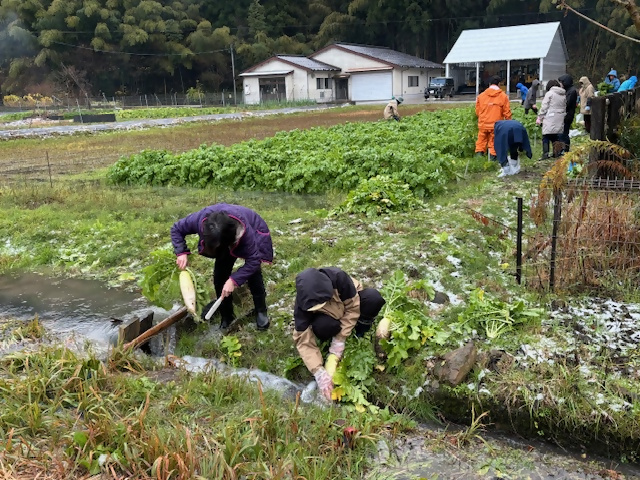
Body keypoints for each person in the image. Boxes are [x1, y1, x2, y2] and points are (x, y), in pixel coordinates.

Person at [170, 204, 273, 331]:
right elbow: (176, 229)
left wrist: (233, 280)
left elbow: (254, 261)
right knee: (220, 278)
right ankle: (227, 316)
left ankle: (261, 311)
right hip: (223, 239)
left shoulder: (244, 231)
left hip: (252, 228)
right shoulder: (199, 220)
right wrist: (181, 252)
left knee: (253, 274)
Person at [293, 267, 385, 400]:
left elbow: (353, 308)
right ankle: (332, 334)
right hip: (330, 318)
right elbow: (303, 340)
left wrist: (339, 340)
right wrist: (318, 371)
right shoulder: (302, 303)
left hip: (347, 306)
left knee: (373, 298)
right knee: (324, 326)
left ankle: (360, 327)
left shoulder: (339, 278)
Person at [475, 76, 512, 159]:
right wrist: (509, 122)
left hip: (483, 124)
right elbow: (507, 112)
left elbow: (477, 111)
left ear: (489, 84)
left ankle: (479, 157)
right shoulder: (503, 96)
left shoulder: (481, 96)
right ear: (499, 84)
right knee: (494, 142)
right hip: (496, 125)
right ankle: (492, 158)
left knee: (481, 140)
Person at [537, 79, 566, 160]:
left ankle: (545, 154)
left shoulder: (550, 93)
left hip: (550, 117)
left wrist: (540, 117)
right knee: (555, 136)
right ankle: (556, 153)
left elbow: (544, 106)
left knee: (546, 136)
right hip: (560, 117)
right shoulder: (563, 94)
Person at [558, 74, 577, 153]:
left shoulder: (572, 91)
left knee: (564, 132)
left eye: (561, 82)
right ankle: (563, 148)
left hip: (568, 114)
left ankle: (566, 149)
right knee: (563, 132)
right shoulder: (568, 90)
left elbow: (567, 103)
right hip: (566, 113)